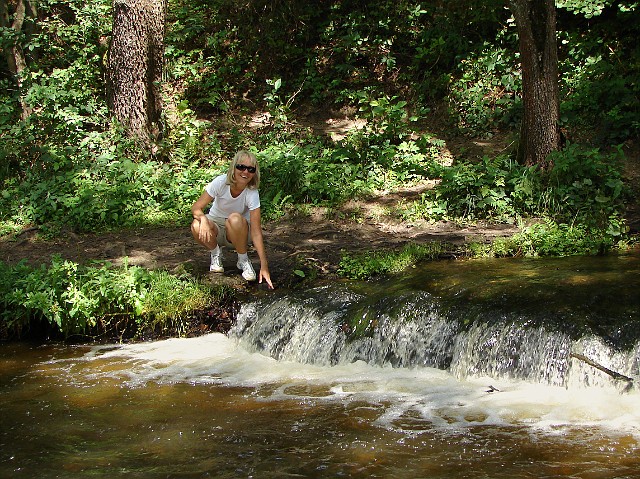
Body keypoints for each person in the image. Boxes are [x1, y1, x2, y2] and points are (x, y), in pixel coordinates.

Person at [191, 150, 274, 289]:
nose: (245, 172)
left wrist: (264, 266)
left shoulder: (252, 192)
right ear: (233, 167)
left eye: (250, 169)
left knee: (234, 218)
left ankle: (243, 260)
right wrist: (204, 220)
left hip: (238, 232)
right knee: (196, 225)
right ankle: (215, 253)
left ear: (255, 173)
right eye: (241, 167)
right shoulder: (221, 182)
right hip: (216, 227)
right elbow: (196, 208)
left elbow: (256, 231)